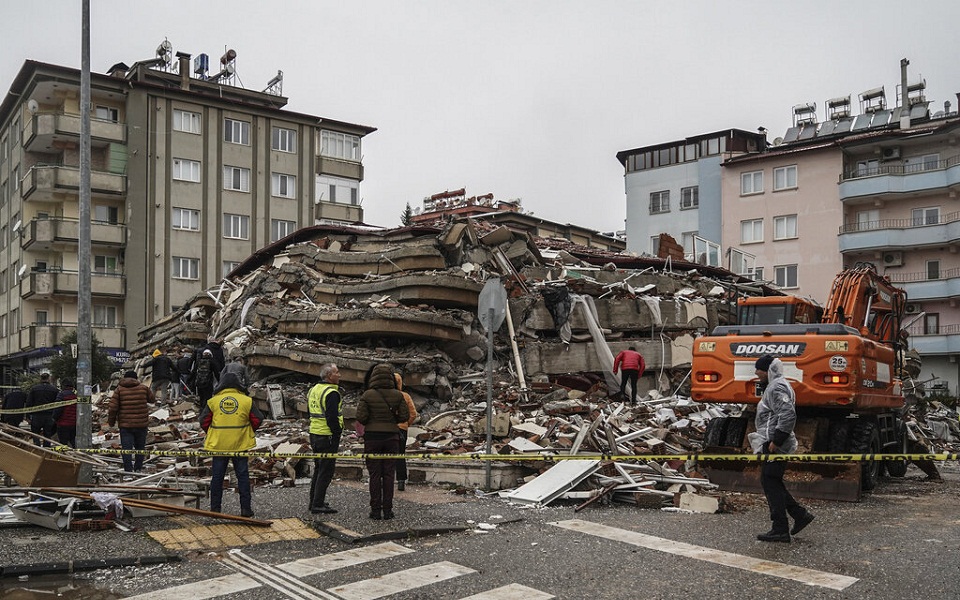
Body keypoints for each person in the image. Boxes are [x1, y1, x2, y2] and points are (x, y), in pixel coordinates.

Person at [751, 355, 815, 543]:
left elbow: (787, 414)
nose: (756, 373)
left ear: (768, 371)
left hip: (777, 444)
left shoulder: (777, 387)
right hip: (775, 442)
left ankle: (780, 528)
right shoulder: (775, 385)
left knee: (770, 480)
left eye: (759, 370)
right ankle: (799, 515)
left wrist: (776, 441)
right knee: (771, 480)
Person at [199, 365, 263, 517]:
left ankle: (215, 509)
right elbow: (258, 419)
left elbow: (203, 421)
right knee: (242, 477)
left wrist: (213, 433)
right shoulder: (246, 401)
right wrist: (248, 431)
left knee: (217, 477)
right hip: (240, 444)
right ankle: (245, 509)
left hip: (219, 445)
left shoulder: (213, 401)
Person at [356, 363, 408, 520]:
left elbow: (361, 417)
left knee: (374, 474)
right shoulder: (398, 395)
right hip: (391, 437)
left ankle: (375, 510)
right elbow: (404, 417)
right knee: (388, 474)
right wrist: (392, 419)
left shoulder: (367, 395)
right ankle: (388, 510)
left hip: (372, 438)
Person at [307, 363, 343, 515]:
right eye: (337, 372)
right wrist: (337, 432)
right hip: (327, 435)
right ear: (329, 376)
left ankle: (314, 501)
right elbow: (332, 417)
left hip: (314, 433)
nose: (339, 375)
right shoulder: (331, 393)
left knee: (318, 469)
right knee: (326, 471)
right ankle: (318, 503)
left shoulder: (314, 389)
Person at [108, 370, 155, 472]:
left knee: (126, 449)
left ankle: (128, 470)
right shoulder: (144, 388)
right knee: (140, 448)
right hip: (141, 424)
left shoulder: (119, 390)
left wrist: (111, 422)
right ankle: (138, 468)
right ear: (136, 378)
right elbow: (152, 399)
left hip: (126, 425)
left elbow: (112, 408)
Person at [394, 372, 418, 491]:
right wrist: (406, 424)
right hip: (401, 429)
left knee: (385, 455)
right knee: (400, 455)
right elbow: (413, 414)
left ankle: (384, 479)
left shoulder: (383, 395)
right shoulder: (405, 396)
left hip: (387, 429)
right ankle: (401, 481)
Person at [26, 372, 59, 446]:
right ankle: (46, 450)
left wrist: (27, 416)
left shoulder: (34, 389)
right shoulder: (54, 390)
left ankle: (37, 449)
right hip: (49, 416)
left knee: (35, 433)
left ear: (41, 379)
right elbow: (58, 404)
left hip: (36, 415)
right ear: (49, 379)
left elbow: (29, 402)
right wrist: (56, 417)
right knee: (47, 434)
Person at [52, 378, 78, 448]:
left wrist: (54, 418)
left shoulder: (61, 395)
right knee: (73, 441)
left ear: (63, 386)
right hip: (74, 423)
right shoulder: (76, 395)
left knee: (63, 443)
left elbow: (58, 409)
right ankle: (77, 456)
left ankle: (63, 457)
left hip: (63, 423)